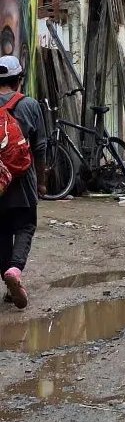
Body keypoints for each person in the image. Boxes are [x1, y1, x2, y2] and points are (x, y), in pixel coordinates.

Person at [0, 55, 47, 309]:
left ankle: (9, 284)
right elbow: (40, 147)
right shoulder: (29, 105)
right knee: (26, 226)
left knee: (2, 231)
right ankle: (15, 271)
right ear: (19, 79)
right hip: (22, 180)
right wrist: (41, 182)